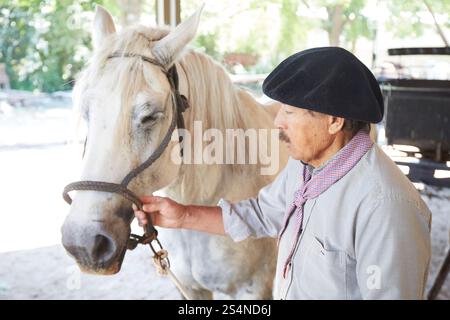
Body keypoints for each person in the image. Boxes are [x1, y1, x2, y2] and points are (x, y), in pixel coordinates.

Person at [133, 47, 432, 300]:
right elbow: (263, 214)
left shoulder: (387, 207)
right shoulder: (307, 166)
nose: (277, 123)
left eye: (289, 112)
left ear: (334, 121)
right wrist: (182, 216)